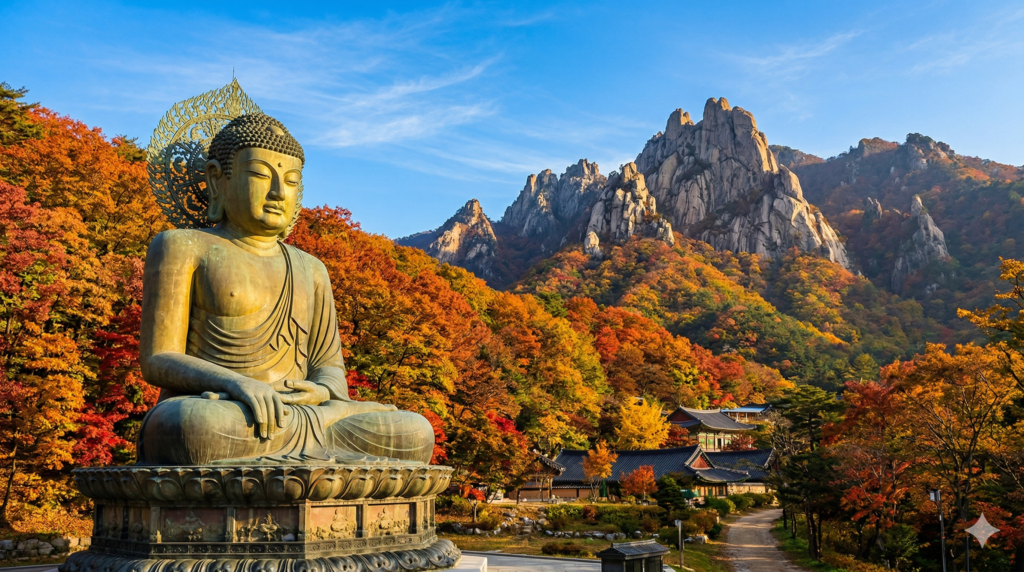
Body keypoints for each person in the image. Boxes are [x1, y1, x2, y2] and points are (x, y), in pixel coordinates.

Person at [137, 114, 433, 466]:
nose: (279, 192)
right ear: (217, 180)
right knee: (188, 425)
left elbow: (329, 366)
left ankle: (308, 446)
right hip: (227, 412)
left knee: (414, 431)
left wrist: (321, 390)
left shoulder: (311, 268)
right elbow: (158, 358)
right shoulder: (182, 246)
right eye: (261, 175)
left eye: (291, 181)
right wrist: (237, 384)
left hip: (306, 416)